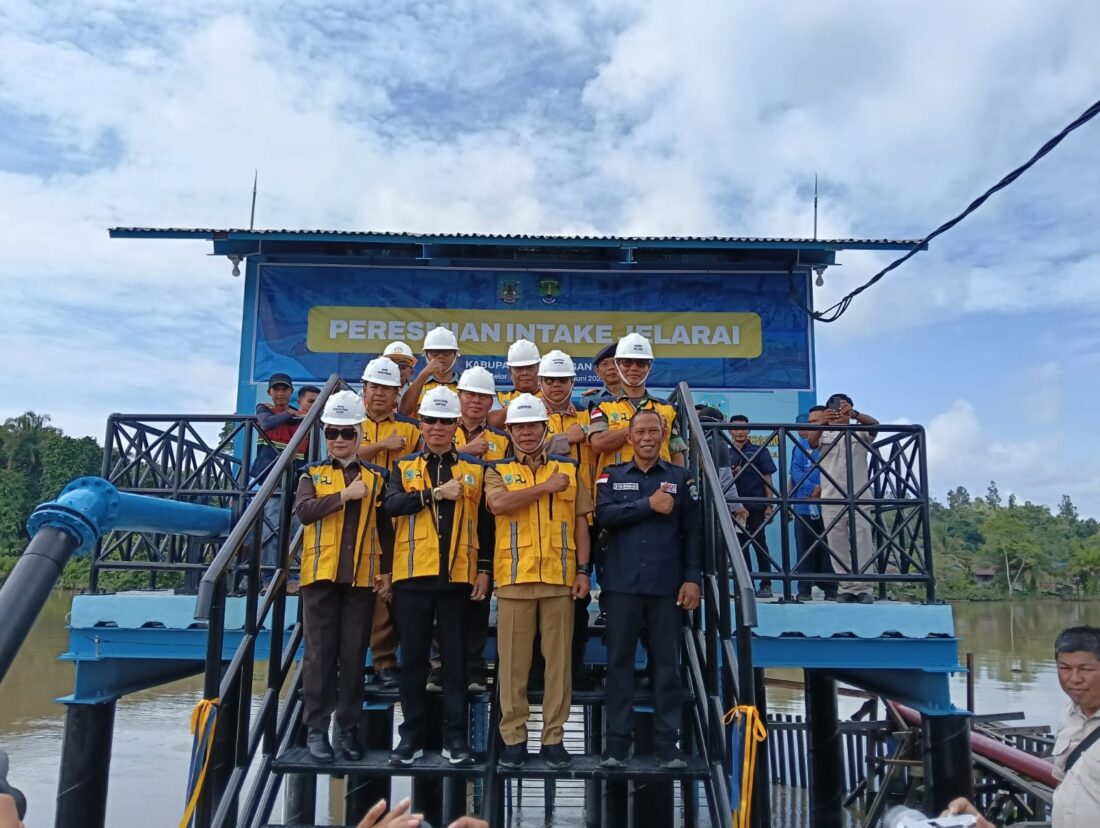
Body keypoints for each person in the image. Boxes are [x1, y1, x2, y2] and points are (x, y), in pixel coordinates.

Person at [382, 386, 492, 767]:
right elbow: (391, 505)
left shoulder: (476, 469)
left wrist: (484, 570)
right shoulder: (403, 467)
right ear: (421, 424)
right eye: (430, 420)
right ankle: (410, 738)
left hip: (458, 578)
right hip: (413, 576)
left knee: (455, 662)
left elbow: (487, 525)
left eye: (445, 421)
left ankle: (455, 738)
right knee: (413, 661)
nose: (438, 427)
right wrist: (435, 494)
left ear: (456, 424)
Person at [485, 393, 592, 769]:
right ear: (510, 431)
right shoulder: (497, 470)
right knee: (513, 666)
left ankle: (553, 739)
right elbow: (498, 505)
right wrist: (545, 488)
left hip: (560, 579)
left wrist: (583, 570)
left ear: (546, 428)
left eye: (533, 426)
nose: (526, 433)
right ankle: (513, 739)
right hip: (514, 579)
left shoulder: (570, 468)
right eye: (519, 427)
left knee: (558, 666)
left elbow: (581, 523)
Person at [596, 409, 702, 769]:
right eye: (639, 431)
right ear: (629, 438)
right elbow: (604, 516)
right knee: (619, 664)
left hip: (666, 586)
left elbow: (693, 533)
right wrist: (648, 505)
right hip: (621, 585)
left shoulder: (681, 477)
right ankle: (616, 744)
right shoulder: (611, 476)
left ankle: (667, 744)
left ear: (662, 435)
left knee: (668, 666)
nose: (646, 437)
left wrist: (693, 578)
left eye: (653, 431)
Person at [293, 390, 393, 763]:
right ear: (325, 435)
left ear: (359, 434)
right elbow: (304, 512)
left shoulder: (378, 477)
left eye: (347, 432)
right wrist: (344, 496)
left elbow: (386, 528)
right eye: (332, 432)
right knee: (319, 656)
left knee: (353, 656)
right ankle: (317, 730)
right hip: (319, 576)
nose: (339, 439)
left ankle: (348, 729)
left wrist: (387, 571)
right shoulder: (312, 473)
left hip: (360, 579)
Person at [944, 626, 1100, 828]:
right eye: (1065, 668)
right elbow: (1068, 784)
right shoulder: (1069, 716)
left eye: (1085, 669)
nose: (1074, 679)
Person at [356, 357, 421, 688]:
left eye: (387, 388)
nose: (380, 393)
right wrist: (382, 445)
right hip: (358, 518)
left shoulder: (412, 429)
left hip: (400, 518)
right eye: (374, 387)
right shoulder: (350, 424)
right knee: (368, 589)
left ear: (398, 393)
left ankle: (402, 661)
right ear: (364, 390)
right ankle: (379, 662)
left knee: (397, 589)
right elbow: (341, 456)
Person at [539, 350, 599, 686]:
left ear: (573, 382)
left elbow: (607, 434)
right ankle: (538, 673)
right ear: (540, 382)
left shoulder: (590, 414)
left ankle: (574, 670)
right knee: (540, 596)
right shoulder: (528, 413)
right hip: (541, 516)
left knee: (579, 595)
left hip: (584, 514)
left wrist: (585, 429)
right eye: (550, 380)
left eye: (562, 380)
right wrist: (561, 439)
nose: (556, 386)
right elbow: (522, 448)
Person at [807, 393, 880, 604]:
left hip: (859, 495)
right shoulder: (824, 432)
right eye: (836, 408)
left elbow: (875, 426)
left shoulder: (860, 430)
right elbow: (811, 442)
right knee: (836, 543)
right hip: (831, 496)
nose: (839, 411)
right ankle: (846, 587)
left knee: (862, 541)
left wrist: (855, 414)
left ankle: (864, 588)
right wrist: (823, 421)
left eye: (844, 407)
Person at [588, 333, 686, 481]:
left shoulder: (667, 408)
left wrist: (677, 486)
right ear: (617, 366)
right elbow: (598, 443)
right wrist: (641, 427)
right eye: (627, 363)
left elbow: (676, 454)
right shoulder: (602, 405)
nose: (633, 368)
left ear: (649, 368)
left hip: (660, 484)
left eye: (641, 363)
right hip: (616, 487)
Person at [256, 372, 308, 588]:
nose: (280, 393)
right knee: (271, 526)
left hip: (295, 479)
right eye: (276, 389)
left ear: (291, 391)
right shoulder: (264, 408)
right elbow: (266, 424)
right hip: (271, 479)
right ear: (269, 392)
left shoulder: (300, 417)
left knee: (296, 527)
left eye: (284, 389)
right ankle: (269, 577)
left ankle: (294, 576)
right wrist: (290, 413)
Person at [728, 414, 778, 599]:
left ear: (749, 430)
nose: (740, 432)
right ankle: (745, 585)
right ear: (730, 431)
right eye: (736, 428)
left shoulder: (760, 451)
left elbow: (767, 478)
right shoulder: (726, 452)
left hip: (756, 506)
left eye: (743, 428)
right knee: (740, 547)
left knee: (759, 545)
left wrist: (769, 505)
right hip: (735, 508)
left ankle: (766, 584)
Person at [790, 407, 837, 601]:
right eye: (810, 422)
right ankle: (804, 590)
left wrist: (823, 489)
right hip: (804, 507)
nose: (811, 426)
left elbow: (838, 471)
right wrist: (811, 489)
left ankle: (831, 590)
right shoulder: (800, 446)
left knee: (830, 550)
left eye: (816, 422)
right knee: (804, 549)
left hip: (830, 506)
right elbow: (796, 472)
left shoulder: (834, 442)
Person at [399, 326, 461, 416]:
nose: (440, 356)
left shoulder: (464, 387)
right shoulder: (416, 386)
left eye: (446, 352)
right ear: (426, 355)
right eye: (434, 352)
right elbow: (403, 412)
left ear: (455, 355)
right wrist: (424, 374)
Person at [487, 339, 541, 427]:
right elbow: (492, 421)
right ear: (510, 372)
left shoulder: (550, 397)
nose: (525, 373)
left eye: (530, 367)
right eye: (519, 369)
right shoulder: (500, 397)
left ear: (539, 369)